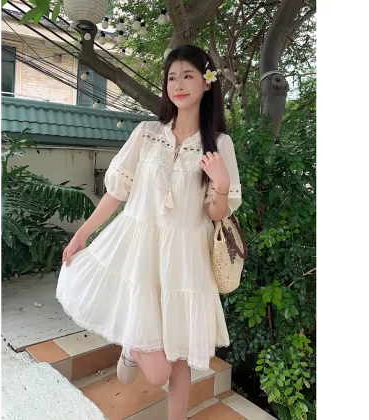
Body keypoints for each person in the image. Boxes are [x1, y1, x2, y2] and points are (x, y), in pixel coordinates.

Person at [56, 44, 242, 420]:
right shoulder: (147, 133)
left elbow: (216, 213)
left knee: (179, 357)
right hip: (139, 249)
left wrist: (221, 185)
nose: (178, 84)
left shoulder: (219, 144)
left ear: (207, 83)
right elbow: (116, 192)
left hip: (185, 260)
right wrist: (83, 233)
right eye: (172, 77)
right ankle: (132, 343)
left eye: (188, 75)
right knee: (157, 372)